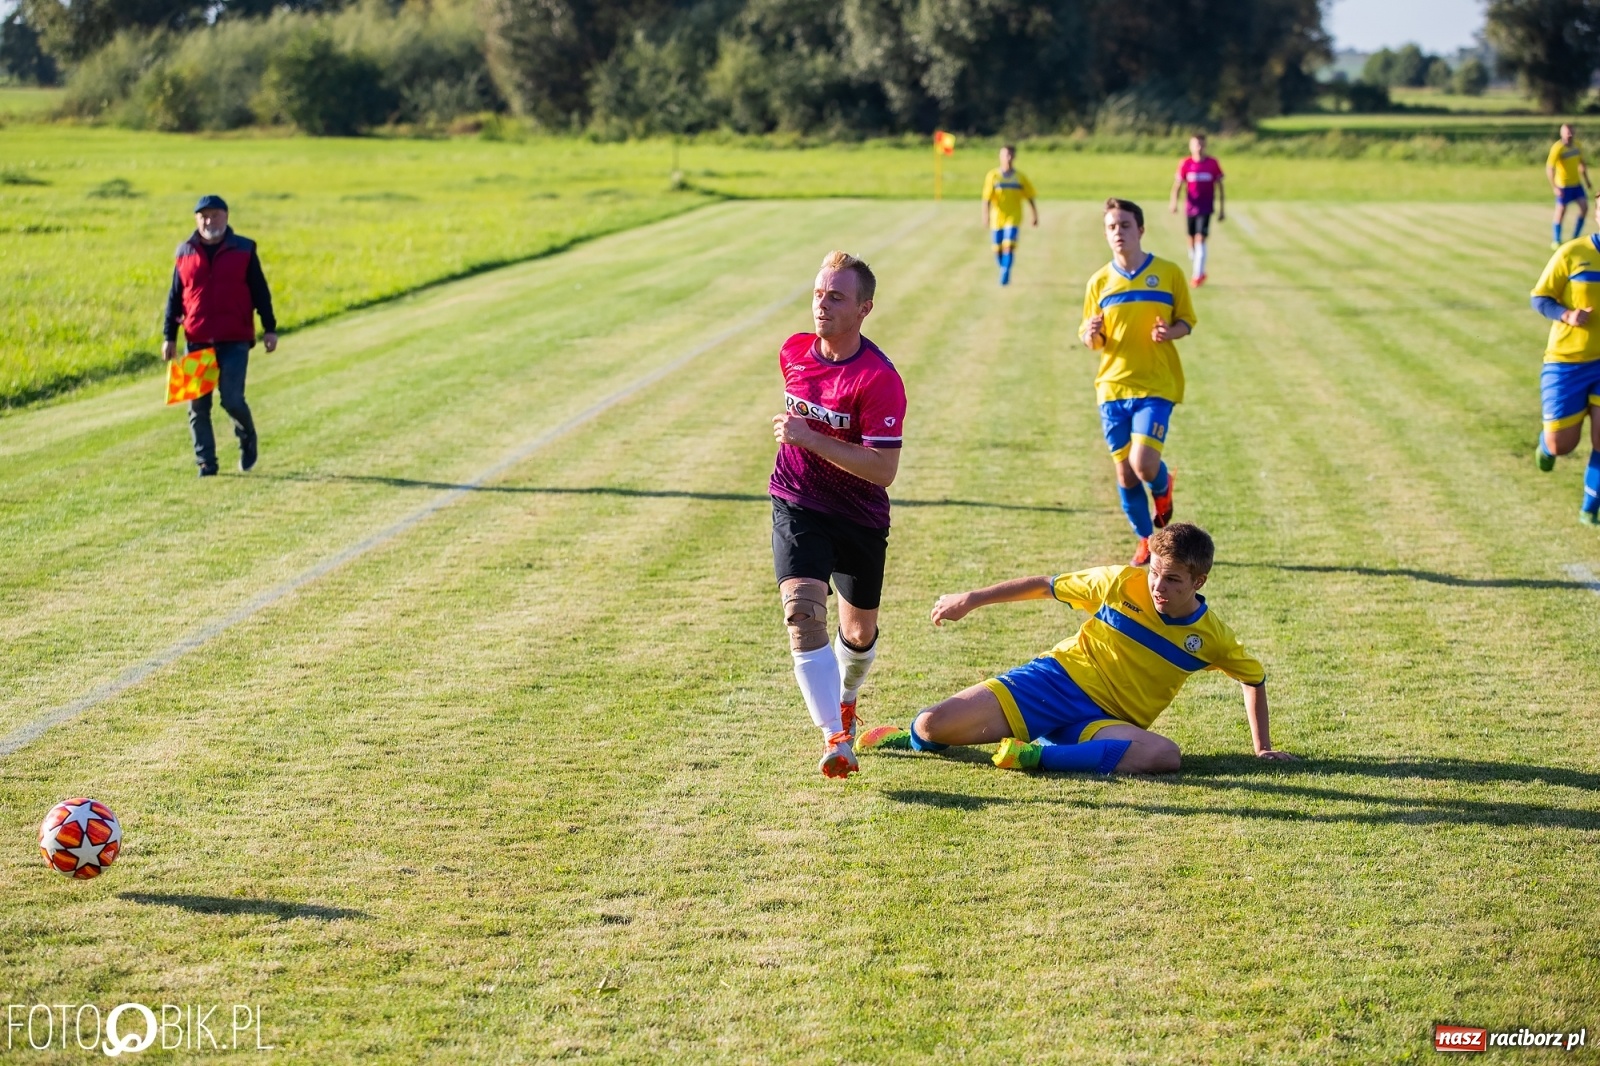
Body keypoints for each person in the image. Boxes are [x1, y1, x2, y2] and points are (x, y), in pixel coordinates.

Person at [859, 523, 1292, 773]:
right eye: (1155, 573)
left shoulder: (1210, 636)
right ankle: (909, 738)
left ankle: (1036, 756)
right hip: (1053, 681)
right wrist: (971, 599)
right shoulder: (1121, 582)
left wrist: (1262, 746)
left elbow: (1253, 678)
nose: (1158, 586)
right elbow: (1045, 586)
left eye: (1173, 579)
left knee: (1165, 755)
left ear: (1198, 582)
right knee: (934, 725)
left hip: (1105, 722)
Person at [770, 250, 907, 778]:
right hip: (797, 498)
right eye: (818, 293)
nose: (822, 305)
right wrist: (803, 445)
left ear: (864, 308)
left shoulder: (878, 379)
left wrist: (811, 436)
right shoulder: (793, 352)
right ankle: (834, 736)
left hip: (859, 514)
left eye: (836, 297)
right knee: (803, 614)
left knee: (858, 634)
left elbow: (882, 469)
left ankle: (847, 696)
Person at [1079, 198, 1197, 566]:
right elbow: (1091, 338)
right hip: (1112, 387)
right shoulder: (1099, 281)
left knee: (1144, 463)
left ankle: (1162, 490)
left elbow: (1186, 322)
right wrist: (1093, 333)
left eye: (1125, 225)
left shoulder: (1169, 272)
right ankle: (1147, 539)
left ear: (1141, 230)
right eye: (1112, 227)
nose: (1119, 232)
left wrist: (1169, 331)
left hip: (1156, 383)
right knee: (1126, 474)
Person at [161, 194, 277, 476]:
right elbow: (175, 297)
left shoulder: (244, 249)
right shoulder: (184, 252)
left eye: (215, 216)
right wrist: (169, 336)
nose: (209, 221)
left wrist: (270, 328)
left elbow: (260, 291)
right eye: (203, 216)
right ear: (196, 220)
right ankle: (206, 463)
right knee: (198, 405)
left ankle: (247, 437)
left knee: (232, 399)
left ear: (226, 217)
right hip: (197, 338)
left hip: (235, 337)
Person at [1529, 233, 1600, 525]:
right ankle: (1547, 446)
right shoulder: (1573, 253)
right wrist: (1567, 315)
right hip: (1567, 362)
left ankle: (1589, 508)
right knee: (1562, 445)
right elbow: (1540, 298)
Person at [1169, 133, 1224, 286]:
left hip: (1206, 208)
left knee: (1201, 238)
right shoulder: (1185, 164)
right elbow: (1178, 186)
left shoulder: (1212, 163)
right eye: (1195, 144)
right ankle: (1199, 268)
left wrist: (1221, 209)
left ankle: (1197, 275)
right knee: (1191, 241)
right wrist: (1174, 203)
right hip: (1190, 208)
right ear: (1190, 146)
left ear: (1205, 146)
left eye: (1201, 144)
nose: (1198, 148)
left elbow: (1220, 187)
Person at [980, 145, 1039, 287]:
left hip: (1013, 216)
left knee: (1009, 246)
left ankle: (1005, 272)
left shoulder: (1020, 178)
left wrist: (1034, 214)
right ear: (1000, 157)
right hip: (997, 217)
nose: (1008, 158)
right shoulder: (993, 176)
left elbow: (1030, 196)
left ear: (1014, 157)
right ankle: (1003, 267)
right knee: (997, 249)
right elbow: (986, 198)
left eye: (1010, 155)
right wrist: (986, 215)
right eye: (1005, 155)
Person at [1547, 124, 1592, 248]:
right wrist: (1555, 186)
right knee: (1561, 212)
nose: (1570, 135)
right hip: (1563, 185)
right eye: (1567, 133)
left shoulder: (1577, 145)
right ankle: (1556, 240)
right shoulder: (1558, 148)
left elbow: (1582, 164)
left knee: (1584, 208)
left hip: (1576, 184)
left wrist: (1587, 180)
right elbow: (1550, 168)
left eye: (1571, 132)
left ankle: (1575, 237)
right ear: (1562, 134)